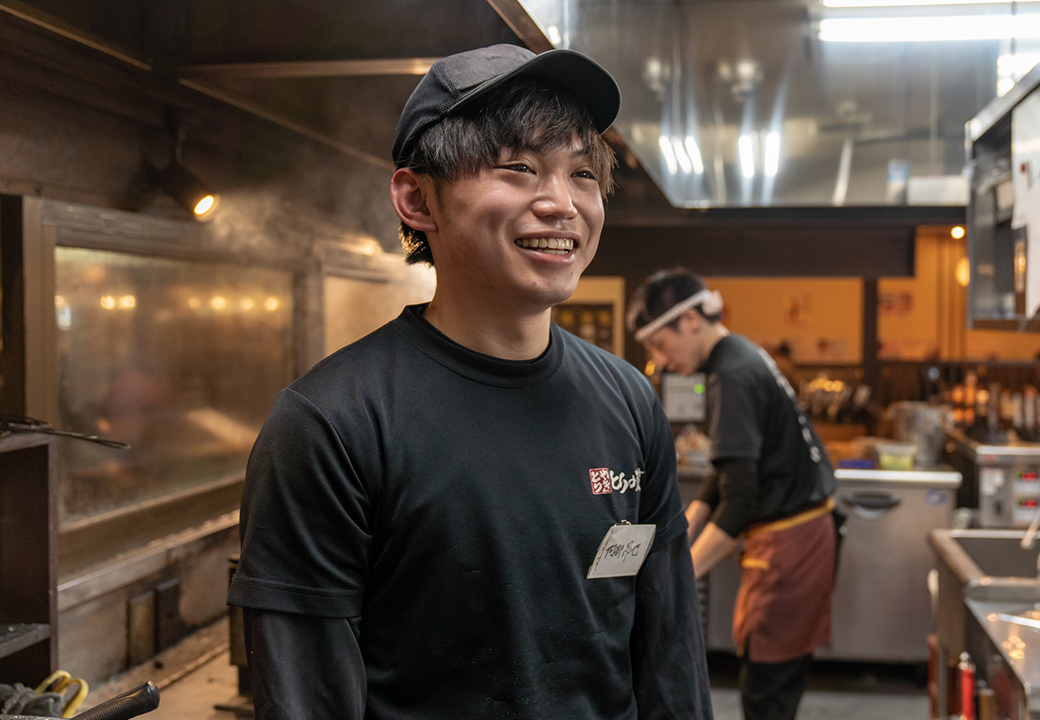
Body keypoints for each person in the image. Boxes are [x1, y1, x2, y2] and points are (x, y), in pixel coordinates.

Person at [228, 45, 713, 719]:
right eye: (517, 168)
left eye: (580, 174)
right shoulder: (332, 423)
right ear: (416, 197)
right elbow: (306, 698)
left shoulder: (629, 400)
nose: (561, 204)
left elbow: (670, 656)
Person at [627, 269, 838, 720]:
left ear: (690, 322)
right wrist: (680, 529)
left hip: (790, 545)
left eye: (661, 345)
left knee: (766, 692)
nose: (662, 361)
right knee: (771, 682)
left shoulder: (733, 375)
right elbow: (727, 472)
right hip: (801, 537)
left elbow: (740, 499)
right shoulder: (738, 356)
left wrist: (674, 578)